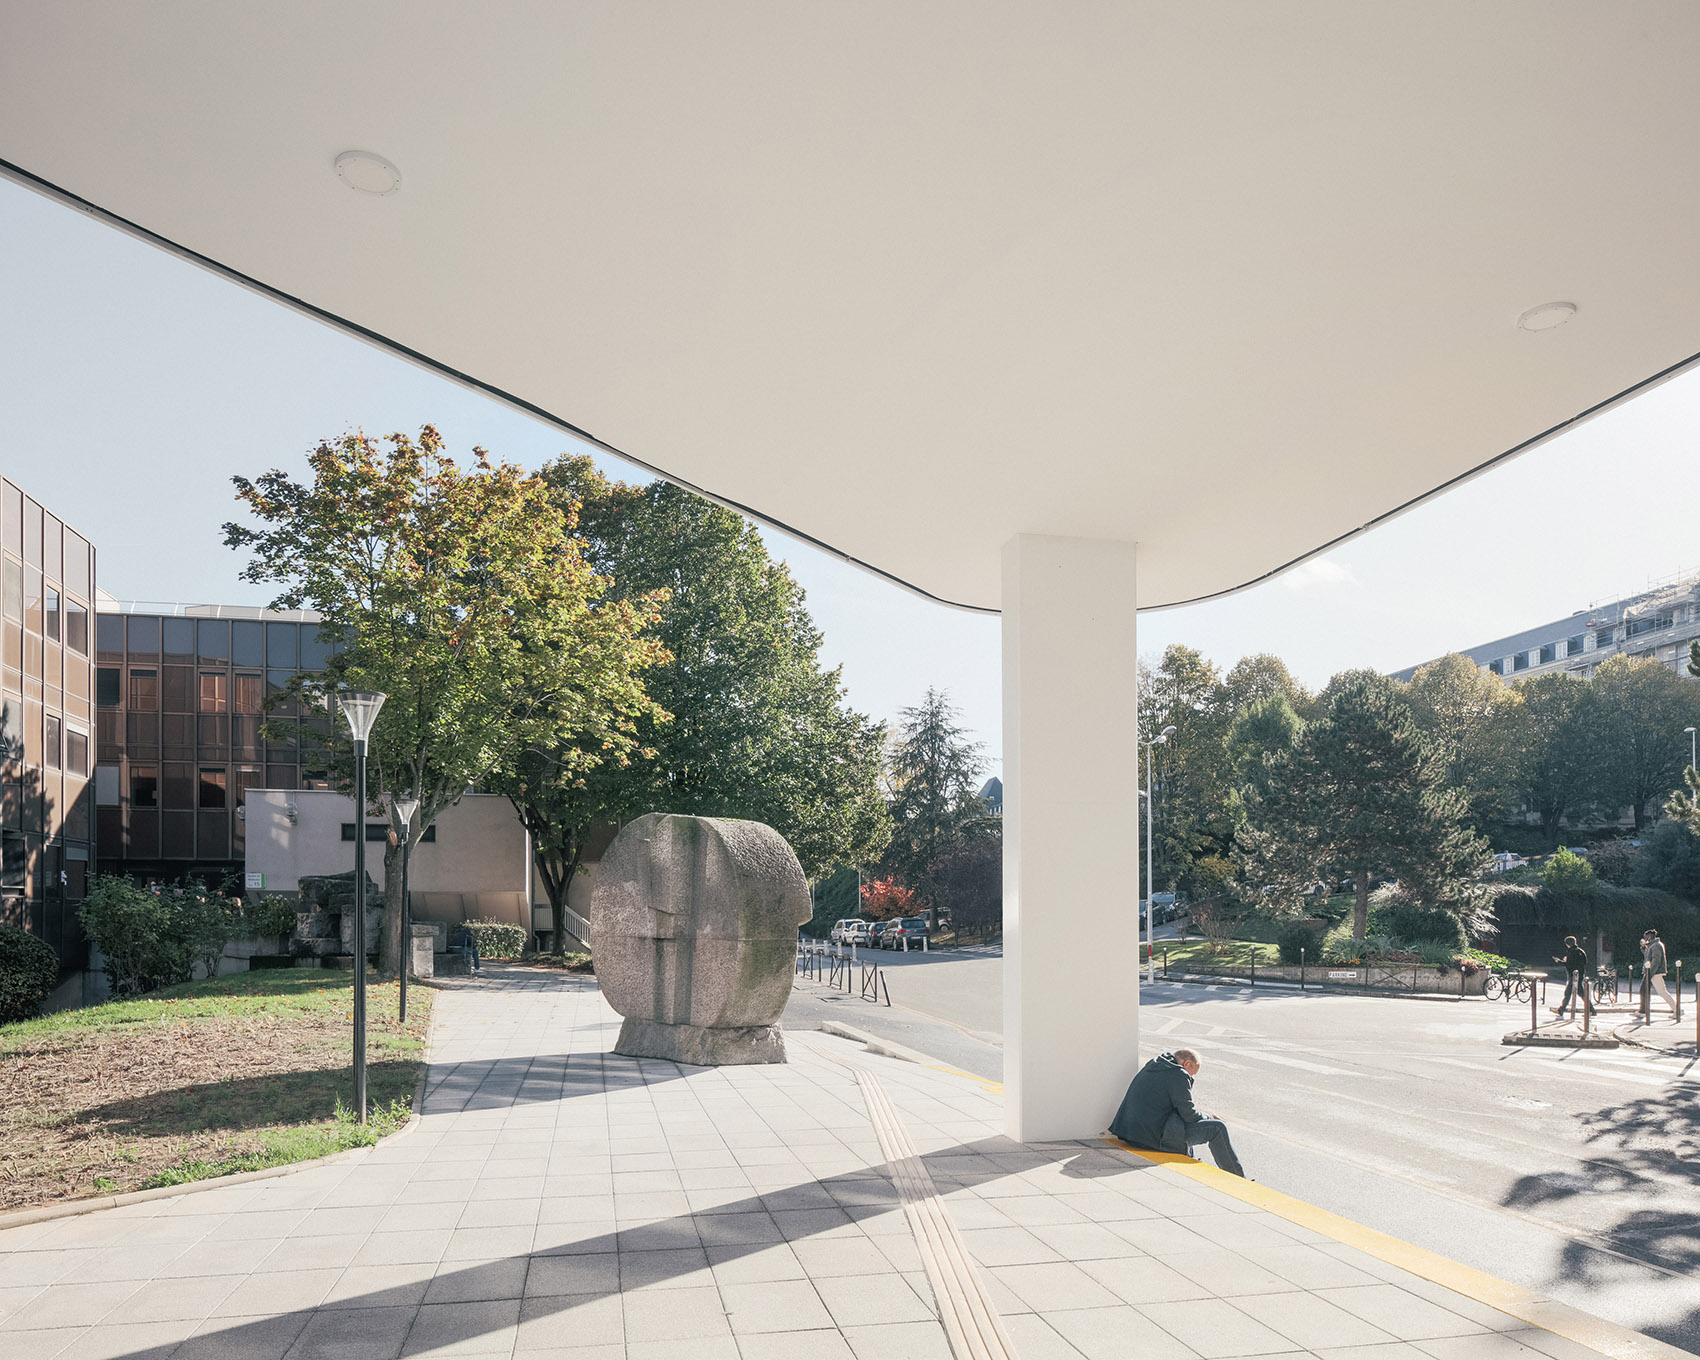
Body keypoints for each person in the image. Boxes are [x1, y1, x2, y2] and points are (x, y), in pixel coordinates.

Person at [1110, 1048, 1246, 1178]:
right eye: (1192, 1073)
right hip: (1151, 1138)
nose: (1191, 1077)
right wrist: (1210, 1118)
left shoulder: (1155, 1064)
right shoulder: (1178, 1074)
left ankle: (1190, 1159)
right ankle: (1237, 1177)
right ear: (1187, 1064)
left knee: (1181, 1122)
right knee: (1217, 1128)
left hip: (1130, 1133)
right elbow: (1189, 1115)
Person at [1551, 935, 1589, 1016]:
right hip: (1580, 974)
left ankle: (1561, 1010)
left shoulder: (1571, 951)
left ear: (1567, 944)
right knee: (1581, 994)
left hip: (1573, 975)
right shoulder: (1581, 951)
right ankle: (1591, 1010)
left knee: (1568, 993)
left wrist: (1559, 961)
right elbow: (1585, 962)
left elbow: (1569, 964)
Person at [1642, 929, 1675, 1017]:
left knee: (1662, 992)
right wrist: (1643, 947)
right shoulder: (1653, 945)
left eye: (1645, 937)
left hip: (1655, 972)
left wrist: (1649, 974)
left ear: (1649, 936)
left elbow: (1656, 961)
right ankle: (1643, 1010)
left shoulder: (1656, 945)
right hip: (1653, 972)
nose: (1644, 939)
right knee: (1647, 990)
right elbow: (1647, 957)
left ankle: (1677, 1010)